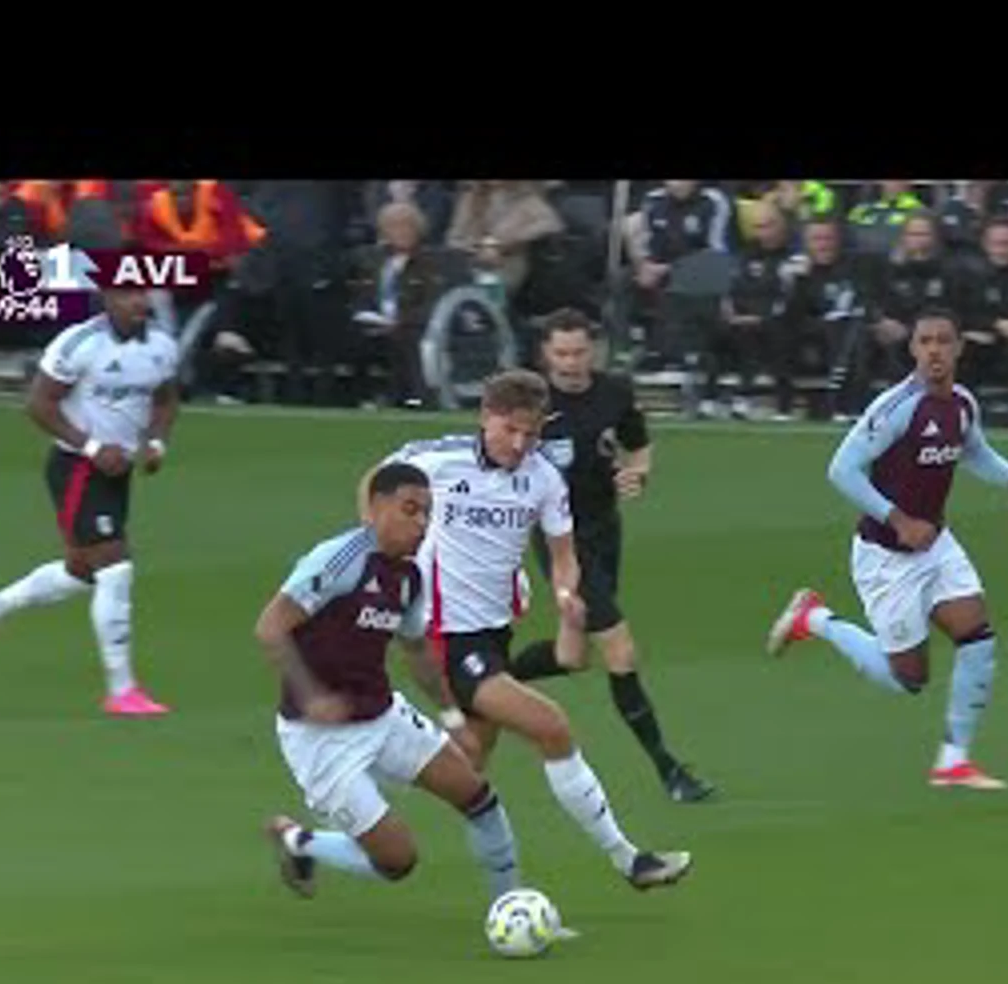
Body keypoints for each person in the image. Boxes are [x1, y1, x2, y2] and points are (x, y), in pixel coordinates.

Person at [382, 369, 693, 892]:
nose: (521, 443)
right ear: (486, 417)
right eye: (510, 430)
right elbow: (375, 486)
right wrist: (386, 561)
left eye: (531, 433)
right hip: (446, 635)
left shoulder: (543, 478)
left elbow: (563, 556)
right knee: (551, 725)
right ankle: (629, 861)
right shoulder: (434, 460)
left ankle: (320, 833)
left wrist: (568, 597)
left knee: (462, 767)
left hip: (492, 634)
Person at [765, 307, 1008, 791]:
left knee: (977, 636)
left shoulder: (961, 404)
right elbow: (842, 469)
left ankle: (953, 761)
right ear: (913, 349)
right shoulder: (897, 407)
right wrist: (897, 518)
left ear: (959, 348)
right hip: (885, 558)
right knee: (907, 679)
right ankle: (815, 619)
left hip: (935, 546)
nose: (934, 350)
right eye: (925, 342)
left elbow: (973, 449)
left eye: (943, 340)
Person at [256, 460, 528, 909]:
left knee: (478, 797)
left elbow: (416, 650)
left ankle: (513, 906)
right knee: (397, 862)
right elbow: (270, 627)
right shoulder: (340, 560)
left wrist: (453, 717)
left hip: (383, 717)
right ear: (376, 507)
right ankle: (297, 840)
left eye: (427, 513)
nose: (421, 523)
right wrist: (313, 697)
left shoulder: (408, 576)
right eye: (409, 509)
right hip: (319, 741)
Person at [507, 310, 715, 802]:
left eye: (579, 353)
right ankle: (669, 772)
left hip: (605, 531)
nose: (571, 363)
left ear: (593, 351)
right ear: (546, 354)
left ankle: (485, 682)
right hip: (561, 540)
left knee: (570, 657)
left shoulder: (615, 393)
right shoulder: (531, 404)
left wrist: (636, 475)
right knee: (620, 651)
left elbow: (639, 448)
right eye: (561, 354)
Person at [0, 284, 180, 715]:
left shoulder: (161, 346)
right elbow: (39, 404)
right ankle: (122, 690)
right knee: (115, 568)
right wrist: (94, 448)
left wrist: (156, 444)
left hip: (119, 472)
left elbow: (166, 400)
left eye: (144, 294)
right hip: (78, 468)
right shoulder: (79, 343)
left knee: (82, 572)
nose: (139, 303)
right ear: (109, 299)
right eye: (128, 294)